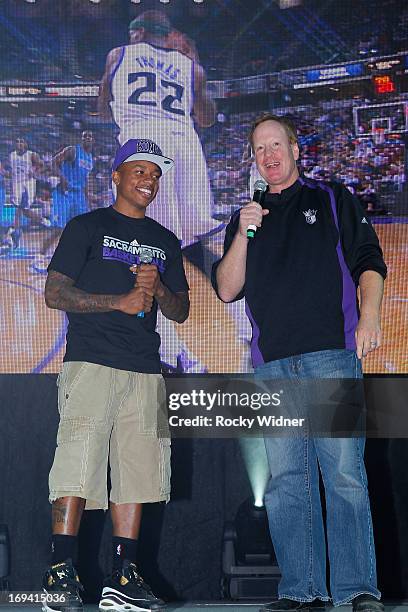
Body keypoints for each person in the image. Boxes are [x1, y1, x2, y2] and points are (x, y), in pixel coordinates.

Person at [212, 114, 386, 612]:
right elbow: (226, 288)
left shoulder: (332, 197)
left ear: (294, 149)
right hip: (272, 366)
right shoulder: (245, 217)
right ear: (253, 159)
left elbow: (369, 262)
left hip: (331, 356)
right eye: (258, 149)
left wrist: (368, 320)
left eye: (275, 145)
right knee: (288, 482)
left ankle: (357, 590)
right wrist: (244, 233)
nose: (268, 155)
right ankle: (303, 591)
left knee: (345, 475)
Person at [42, 138, 190, 612]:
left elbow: (181, 311)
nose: (148, 180)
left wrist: (159, 288)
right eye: (139, 171)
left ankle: (123, 577)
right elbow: (55, 293)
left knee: (138, 473)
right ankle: (60, 574)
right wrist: (118, 302)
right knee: (77, 466)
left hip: (144, 369)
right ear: (117, 176)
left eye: (155, 174)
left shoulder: (166, 240)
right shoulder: (87, 226)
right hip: (91, 363)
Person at [98, 10, 223, 372]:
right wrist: (194, 64)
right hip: (186, 148)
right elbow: (209, 117)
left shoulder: (118, 54)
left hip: (144, 148)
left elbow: (102, 108)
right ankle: (248, 314)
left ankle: (172, 354)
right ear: (168, 37)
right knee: (194, 244)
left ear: (136, 33)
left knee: (141, 255)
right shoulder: (189, 66)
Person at [32, 131, 95, 274]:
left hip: (79, 195)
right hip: (64, 194)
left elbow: (85, 180)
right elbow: (53, 162)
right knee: (58, 229)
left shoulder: (91, 159)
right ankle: (39, 258)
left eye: (90, 136)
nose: (87, 138)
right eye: (85, 136)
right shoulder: (72, 150)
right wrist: (62, 178)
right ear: (81, 138)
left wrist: (88, 201)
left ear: (93, 140)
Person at [1, 137, 43, 251]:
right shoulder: (11, 155)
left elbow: (42, 165)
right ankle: (16, 234)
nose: (19, 143)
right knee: (21, 210)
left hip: (27, 184)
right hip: (16, 184)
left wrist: (35, 171)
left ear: (26, 144)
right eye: (17, 141)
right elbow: (7, 170)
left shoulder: (31, 154)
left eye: (21, 141)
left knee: (21, 209)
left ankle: (15, 232)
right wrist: (5, 173)